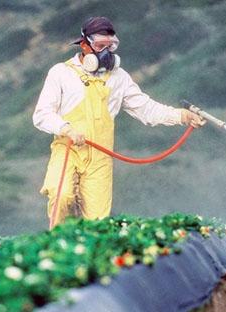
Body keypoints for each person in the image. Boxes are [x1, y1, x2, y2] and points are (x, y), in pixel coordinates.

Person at [33, 16, 205, 227]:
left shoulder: (119, 77)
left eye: (110, 46)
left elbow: (146, 109)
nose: (106, 52)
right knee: (62, 196)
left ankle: (89, 254)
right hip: (68, 148)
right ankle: (59, 249)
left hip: (100, 157)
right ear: (85, 45)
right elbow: (41, 114)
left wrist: (181, 116)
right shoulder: (61, 73)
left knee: (97, 221)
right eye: (100, 46)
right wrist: (65, 128)